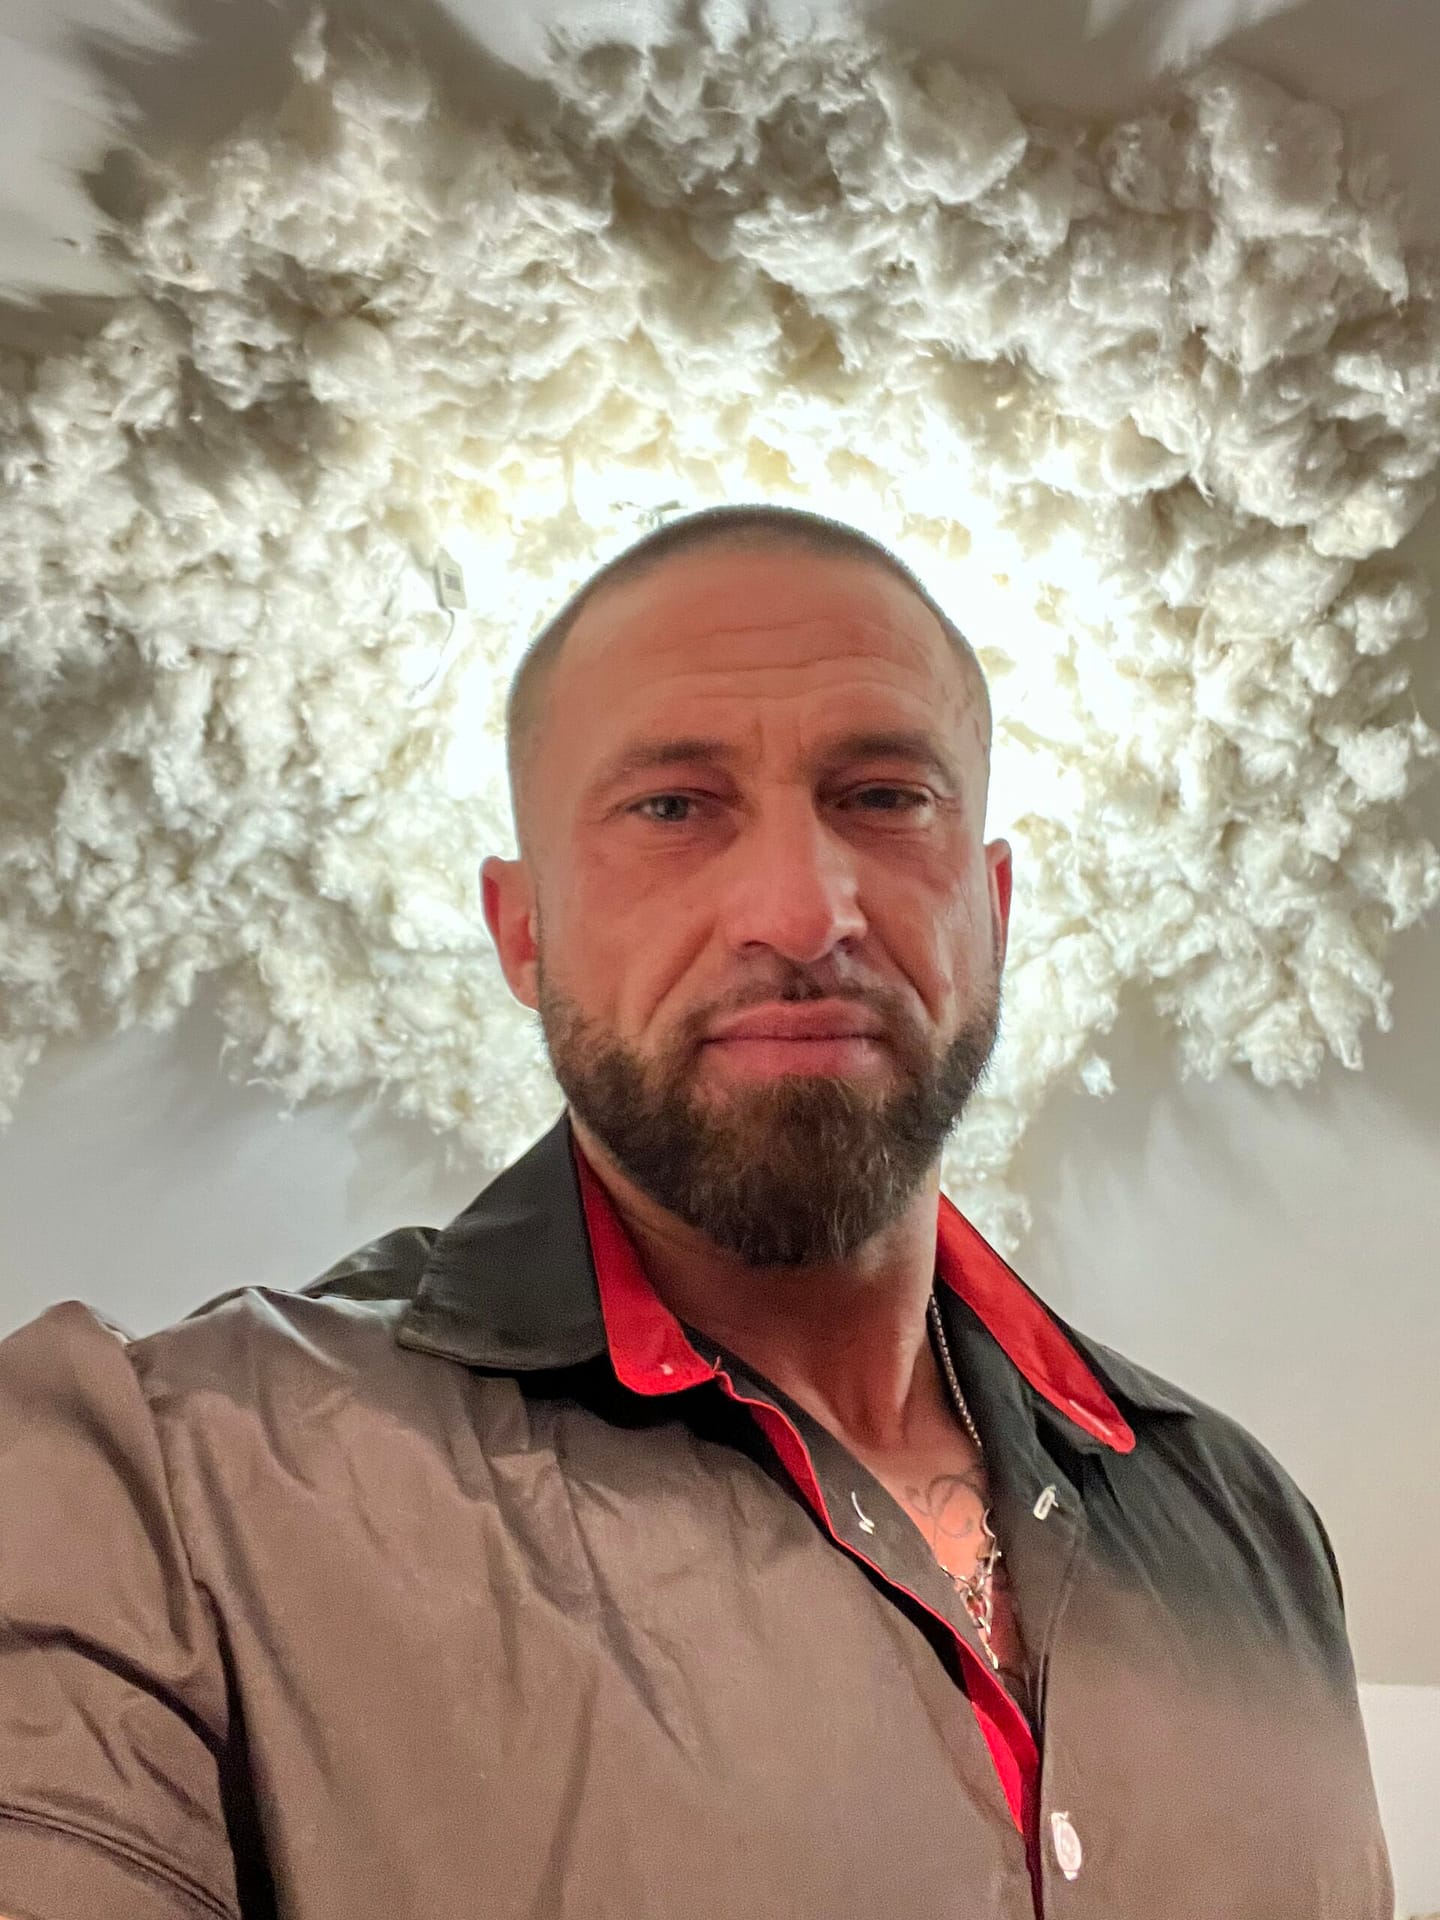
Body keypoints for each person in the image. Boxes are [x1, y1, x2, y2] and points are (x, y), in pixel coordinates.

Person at [0, 505, 1393, 1920]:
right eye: (672, 807)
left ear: (993, 907)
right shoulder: (161, 1478)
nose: (801, 911)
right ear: (521, 930)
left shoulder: (1253, 1524)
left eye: (883, 798)